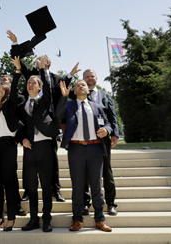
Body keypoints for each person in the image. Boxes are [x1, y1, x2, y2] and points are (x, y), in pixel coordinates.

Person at [56, 80, 113, 232]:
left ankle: (100, 219)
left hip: (95, 149)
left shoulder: (97, 107)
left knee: (96, 186)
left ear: (88, 90)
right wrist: (63, 97)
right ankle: (77, 220)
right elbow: (58, 115)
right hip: (76, 148)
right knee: (78, 186)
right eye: (77, 85)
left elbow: (108, 124)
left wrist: (106, 131)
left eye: (83, 85)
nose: (80, 86)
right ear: (74, 91)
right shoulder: (68, 105)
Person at [11, 56, 58, 233]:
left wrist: (44, 70)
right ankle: (33, 219)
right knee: (31, 186)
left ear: (39, 87)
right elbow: (20, 126)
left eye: (34, 82)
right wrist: (22, 138)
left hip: (45, 147)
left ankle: (47, 220)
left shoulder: (44, 101)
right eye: (29, 82)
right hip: (29, 149)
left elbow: (48, 88)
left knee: (46, 185)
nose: (30, 84)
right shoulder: (22, 105)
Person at [81, 69, 119, 216]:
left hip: (102, 140)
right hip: (85, 140)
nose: (90, 78)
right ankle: (85, 204)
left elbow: (112, 116)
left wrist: (114, 133)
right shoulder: (79, 96)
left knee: (107, 172)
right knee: (84, 174)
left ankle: (110, 203)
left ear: (96, 78)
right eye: (87, 77)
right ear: (83, 79)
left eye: (92, 76)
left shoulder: (105, 95)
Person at [0, 82, 24, 231]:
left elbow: (14, 90)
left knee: (9, 182)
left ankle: (11, 218)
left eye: (2, 88)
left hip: (8, 145)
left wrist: (16, 72)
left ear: (7, 91)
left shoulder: (10, 104)